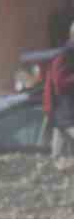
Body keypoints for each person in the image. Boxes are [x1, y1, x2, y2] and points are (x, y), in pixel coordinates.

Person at [43, 23, 74, 157]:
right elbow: (59, 82)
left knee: (58, 153)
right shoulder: (65, 54)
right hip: (64, 106)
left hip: (64, 110)